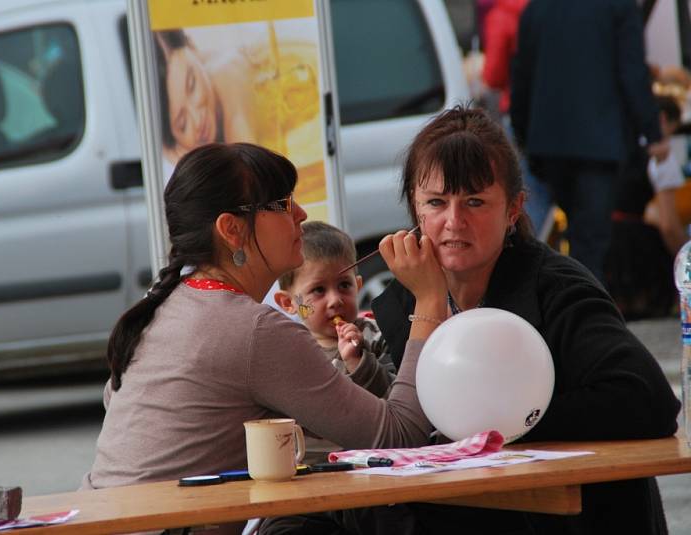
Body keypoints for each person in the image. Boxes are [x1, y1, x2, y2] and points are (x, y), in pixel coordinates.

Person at [262, 106, 680, 535]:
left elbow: (650, 401)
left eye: (475, 202)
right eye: (436, 203)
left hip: (569, 517)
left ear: (513, 209)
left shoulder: (558, 289)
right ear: (415, 210)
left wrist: (494, 426)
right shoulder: (399, 303)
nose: (453, 222)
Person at [82, 142, 446, 534]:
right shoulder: (253, 330)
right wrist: (428, 298)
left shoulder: (166, 305)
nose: (301, 214)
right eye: (282, 204)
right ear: (232, 230)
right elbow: (399, 436)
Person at [510, 0, 669, 282]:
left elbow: (522, 77)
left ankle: (570, 309)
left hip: (549, 143)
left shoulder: (537, 9)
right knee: (591, 244)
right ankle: (586, 315)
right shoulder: (619, 6)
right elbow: (632, 72)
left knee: (569, 235)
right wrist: (652, 131)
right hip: (600, 143)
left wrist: (525, 135)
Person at [274, 221, 396, 463]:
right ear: (288, 303)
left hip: (371, 464)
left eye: (344, 285)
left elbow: (395, 402)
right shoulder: (288, 351)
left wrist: (359, 362)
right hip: (310, 469)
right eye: (318, 290)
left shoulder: (375, 336)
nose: (335, 300)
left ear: (358, 286)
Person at [155, 29, 319, 166]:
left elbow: (247, 185)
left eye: (192, 85)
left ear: (193, 49)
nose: (197, 120)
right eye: (182, 124)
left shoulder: (225, 71)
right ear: (172, 141)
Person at [605, 95, 687, 319]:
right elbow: (669, 226)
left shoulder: (612, 143)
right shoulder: (661, 157)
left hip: (604, 247)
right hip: (637, 253)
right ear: (662, 120)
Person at [480, 0, 553, 238]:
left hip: (520, 115)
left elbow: (493, 76)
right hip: (560, 117)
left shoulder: (502, 15)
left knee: (532, 200)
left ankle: (533, 258)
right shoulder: (549, 9)